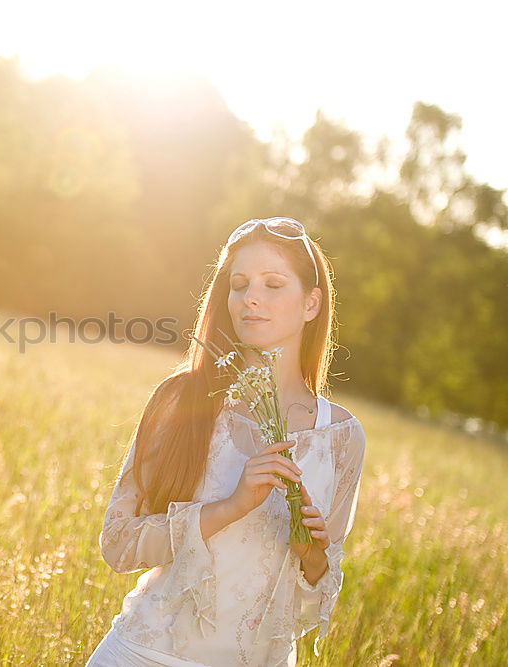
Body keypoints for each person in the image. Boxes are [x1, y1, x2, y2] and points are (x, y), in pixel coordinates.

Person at [86, 217, 367, 667]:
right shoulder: (183, 399)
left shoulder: (341, 436)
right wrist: (231, 507)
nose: (250, 298)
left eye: (273, 284)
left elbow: (320, 580)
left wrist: (310, 555)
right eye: (239, 284)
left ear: (311, 304)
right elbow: (118, 543)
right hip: (145, 654)